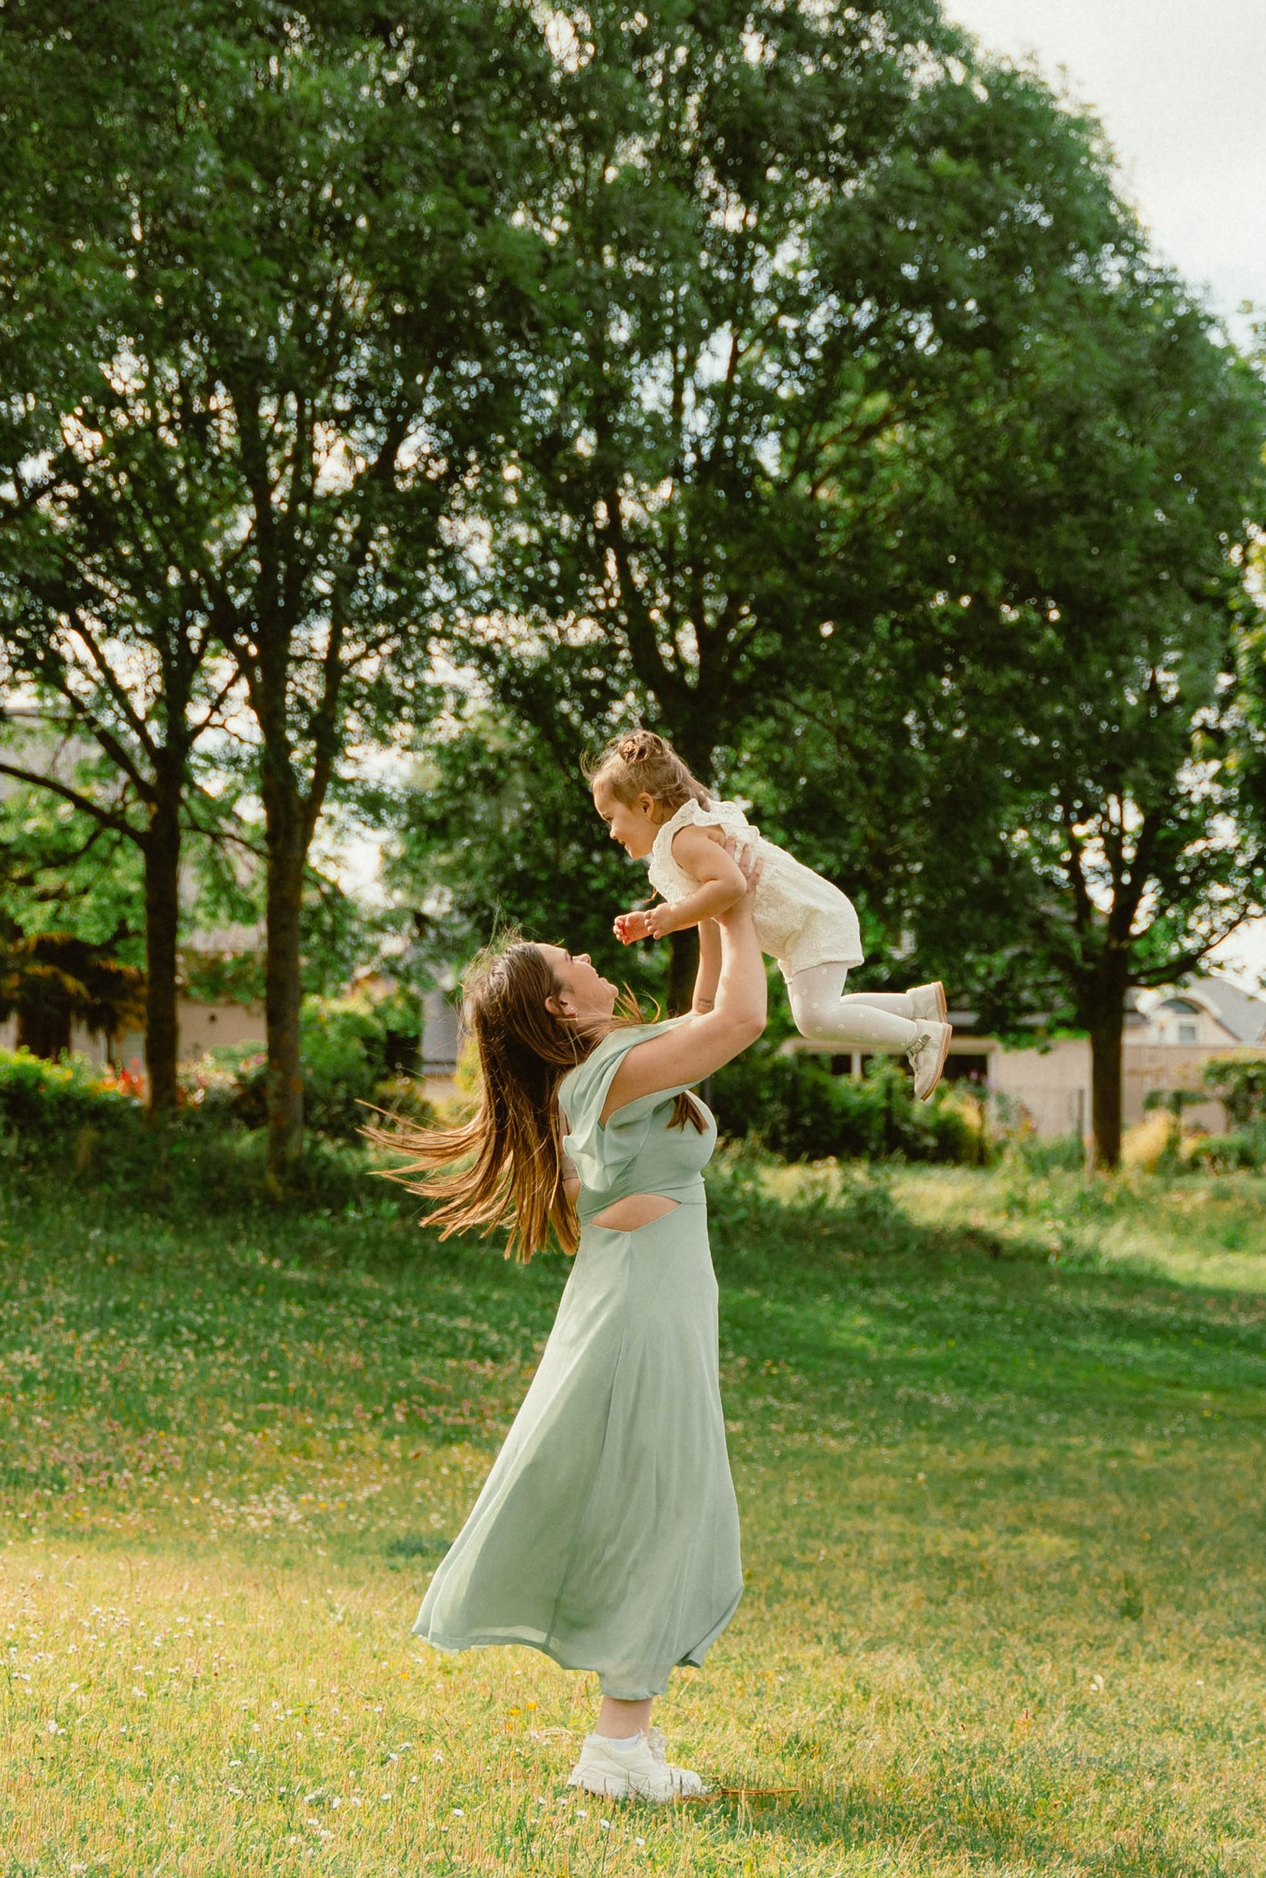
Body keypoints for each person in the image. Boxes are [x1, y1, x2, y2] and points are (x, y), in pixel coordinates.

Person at [376, 871, 769, 1804]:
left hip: (650, 1300)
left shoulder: (618, 1060)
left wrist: (709, 903)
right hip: (639, 1311)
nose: (592, 958)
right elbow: (745, 1020)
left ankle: (625, 1738)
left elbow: (713, 1004)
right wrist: (738, 904)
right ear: (560, 1003)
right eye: (573, 961)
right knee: (661, 1504)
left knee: (664, 1500)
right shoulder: (608, 1074)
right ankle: (617, 1750)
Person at [589, 728, 952, 1095]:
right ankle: (915, 1005)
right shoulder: (686, 843)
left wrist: (672, 916)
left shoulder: (686, 839)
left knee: (813, 1019)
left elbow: (733, 886)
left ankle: (920, 1039)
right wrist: (702, 1006)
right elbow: (712, 925)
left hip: (812, 919)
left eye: (609, 818)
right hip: (804, 923)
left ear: (646, 805)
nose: (611, 832)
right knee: (820, 1009)